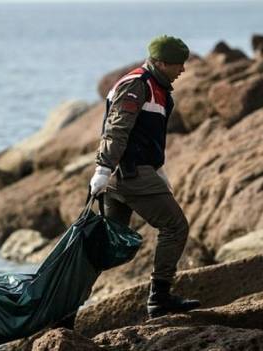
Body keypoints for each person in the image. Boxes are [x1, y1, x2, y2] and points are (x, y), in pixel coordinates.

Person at [90, 35, 201, 318]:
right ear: (162, 63)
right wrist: (102, 169)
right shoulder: (137, 85)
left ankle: (66, 309)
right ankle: (159, 298)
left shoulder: (157, 87)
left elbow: (146, 135)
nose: (183, 70)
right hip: (129, 174)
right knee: (175, 227)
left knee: (108, 249)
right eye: (179, 64)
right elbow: (117, 130)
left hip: (130, 173)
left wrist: (159, 169)